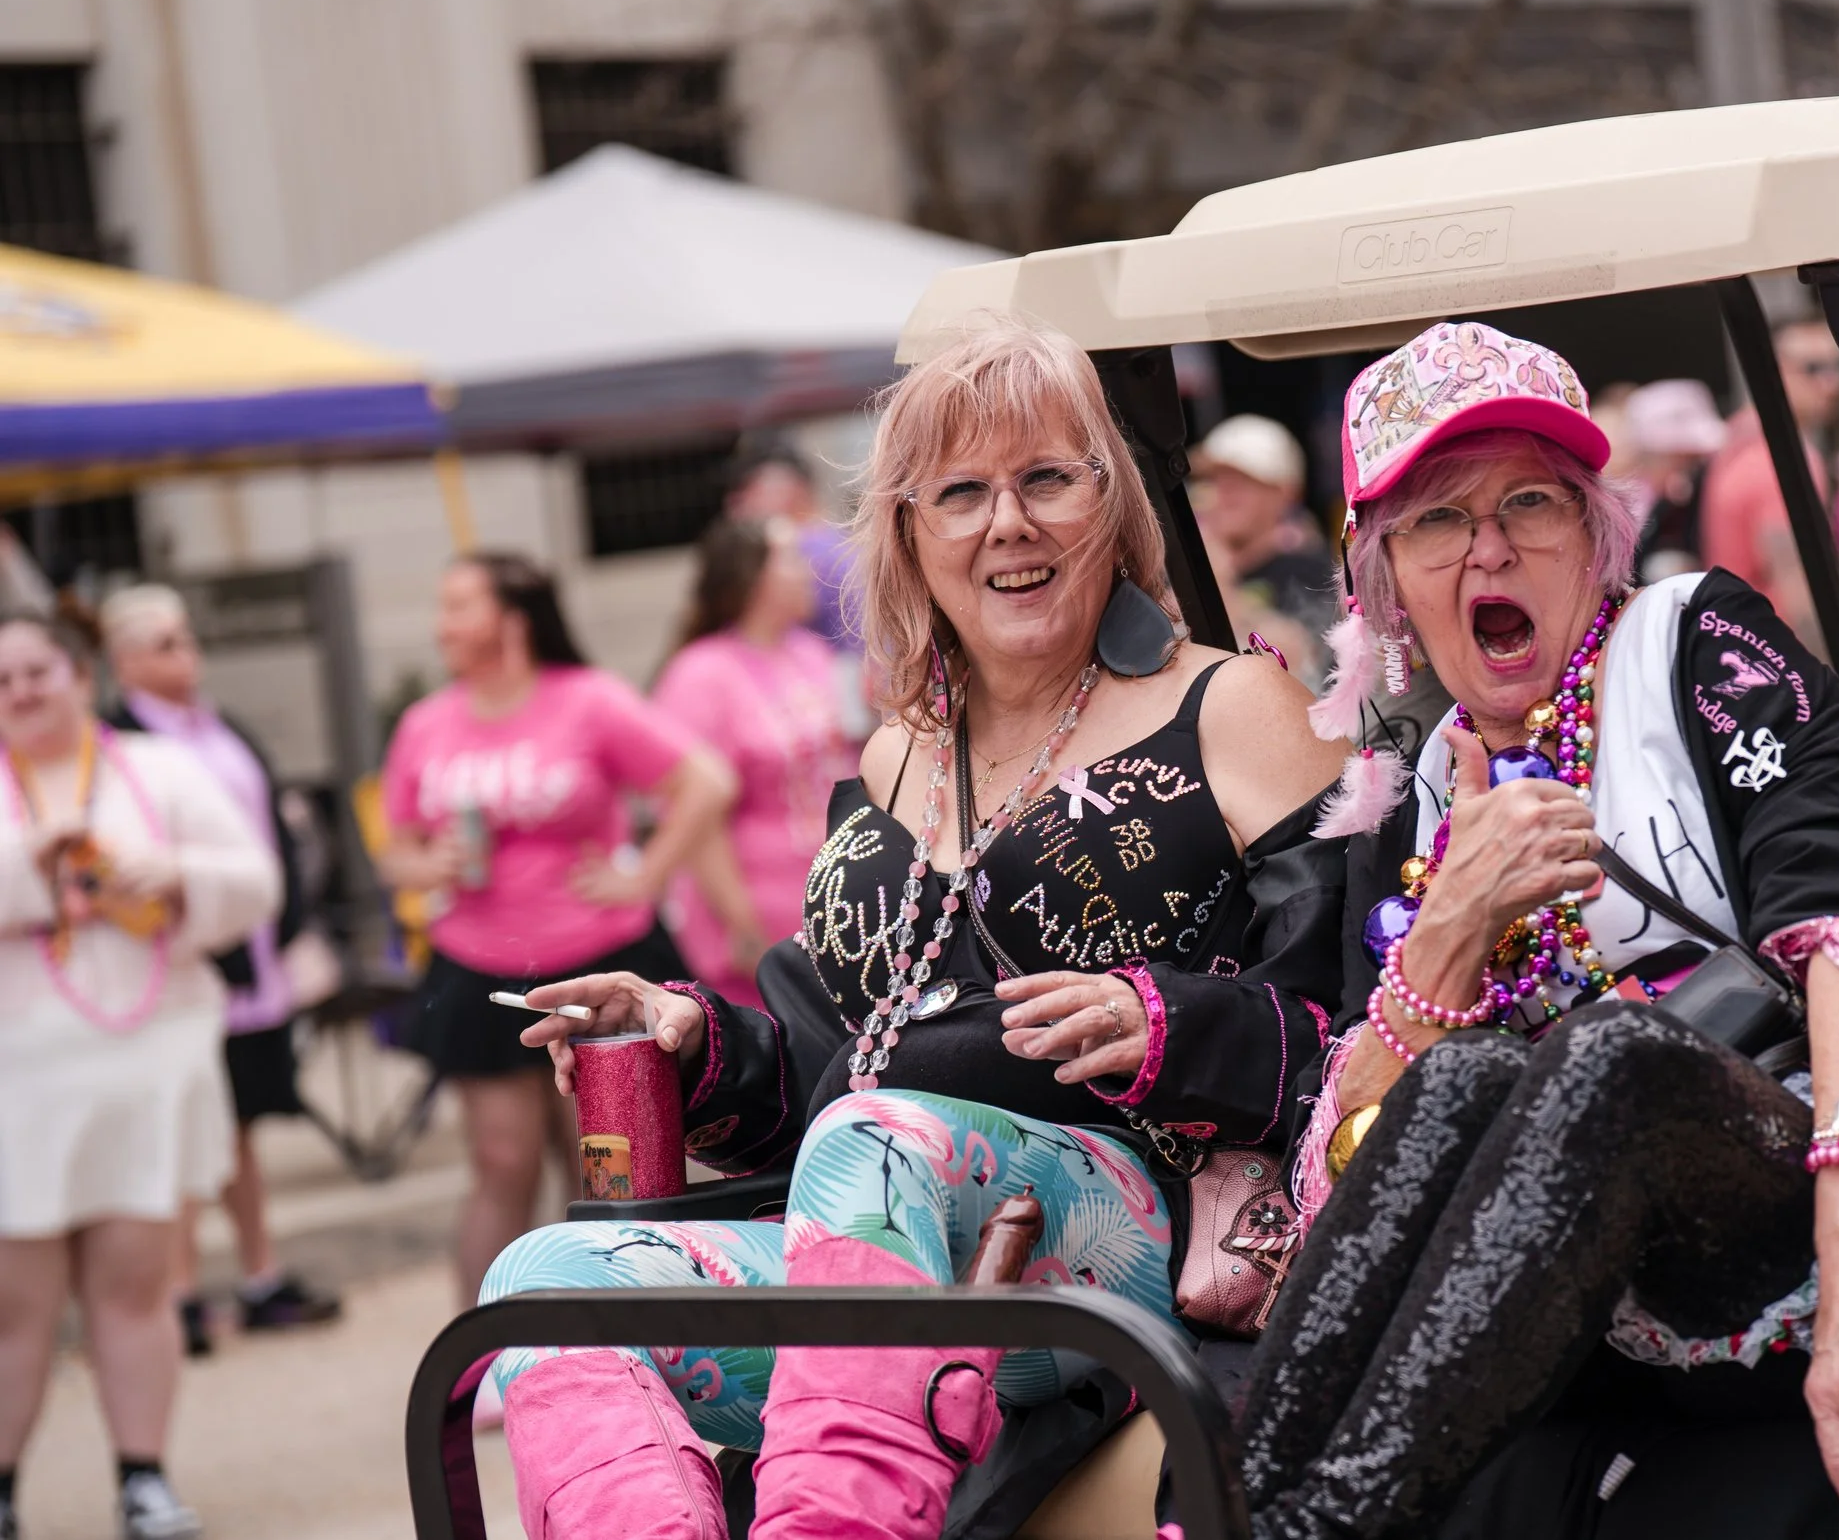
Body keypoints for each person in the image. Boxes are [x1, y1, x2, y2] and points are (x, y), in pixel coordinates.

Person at [475, 318, 1348, 1540]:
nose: (1008, 522)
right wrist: (693, 1040)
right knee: (539, 1283)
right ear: (908, 537)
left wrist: (1159, 1021)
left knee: (882, 1138)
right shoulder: (893, 759)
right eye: (961, 493)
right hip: (890, 1237)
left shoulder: (1229, 702)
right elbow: (837, 1061)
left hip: (1134, 1232)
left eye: (1048, 477)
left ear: (1112, 507)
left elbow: (1355, 1014)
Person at [1242, 321, 1839, 1540]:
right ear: (1387, 584)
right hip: (1570, 1333)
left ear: (1594, 530)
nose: (1492, 546)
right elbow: (1349, 1163)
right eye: (1438, 520)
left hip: (1819, 1235)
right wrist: (1451, 926)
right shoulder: (1403, 796)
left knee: (1603, 1055)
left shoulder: (1689, 644)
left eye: (1530, 502)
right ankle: (1229, 1519)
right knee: (1464, 1074)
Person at [374, 554, 733, 1306]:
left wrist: (644, 874)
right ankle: (486, 1357)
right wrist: (424, 862)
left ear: (513, 618)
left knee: (605, 1158)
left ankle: (629, 1338)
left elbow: (703, 781)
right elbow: (394, 852)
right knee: (500, 1161)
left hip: (599, 959)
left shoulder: (588, 700)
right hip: (477, 965)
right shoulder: (426, 722)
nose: (441, 624)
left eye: (458, 606)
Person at [0, 611, 280, 1540]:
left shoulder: (156, 770)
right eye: (2, 680)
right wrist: (29, 869)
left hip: (144, 1067)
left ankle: (144, 1473)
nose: (22, 691)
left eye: (36, 669)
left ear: (77, 673)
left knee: (135, 1286)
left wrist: (167, 874)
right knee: (14, 1303)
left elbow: (255, 880)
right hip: (17, 1082)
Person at [97, 586, 342, 1354]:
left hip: (254, 958)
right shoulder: (120, 739)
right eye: (165, 642)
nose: (185, 651)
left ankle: (257, 1275)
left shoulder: (219, 726)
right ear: (124, 660)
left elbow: (265, 834)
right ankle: (179, 1290)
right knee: (183, 1131)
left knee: (239, 1129)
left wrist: (288, 919)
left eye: (185, 636)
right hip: (188, 964)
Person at [651, 519, 857, 1007]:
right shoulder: (700, 674)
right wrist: (740, 921)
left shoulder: (809, 652)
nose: (808, 570)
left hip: (836, 909)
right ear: (753, 577)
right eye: (790, 557)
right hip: (754, 921)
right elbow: (694, 817)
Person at [1699, 314, 1839, 643]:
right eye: (1813, 368)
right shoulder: (1782, 456)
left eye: (1837, 367)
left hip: (1744, 644)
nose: (1833, 384)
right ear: (1774, 370)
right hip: (1781, 650)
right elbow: (1795, 580)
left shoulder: (1738, 438)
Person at [725, 442, 877, 742]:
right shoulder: (841, 540)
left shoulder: (801, 548)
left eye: (746, 494)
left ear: (786, 491)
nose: (736, 507)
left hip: (845, 692)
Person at [1192, 412, 1340, 678]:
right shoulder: (1182, 570)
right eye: (1213, 480)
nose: (1223, 494)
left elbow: (1302, 668)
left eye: (1240, 483)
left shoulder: (1316, 576)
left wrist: (1220, 586)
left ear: (1285, 493)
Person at [1616, 379, 1724, 584]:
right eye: (1680, 460)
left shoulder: (1708, 497)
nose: (1690, 475)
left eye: (1698, 461)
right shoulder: (1630, 510)